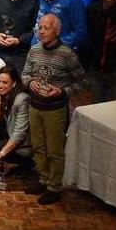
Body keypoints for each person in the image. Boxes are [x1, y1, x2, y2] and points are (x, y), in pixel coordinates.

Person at [22, 14, 87, 204]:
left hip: (55, 110)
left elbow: (82, 82)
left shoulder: (67, 55)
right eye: (39, 28)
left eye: (46, 28)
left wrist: (62, 91)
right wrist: (30, 82)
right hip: (35, 106)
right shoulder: (34, 51)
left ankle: (54, 186)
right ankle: (43, 179)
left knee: (54, 150)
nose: (41, 31)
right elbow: (25, 74)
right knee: (39, 146)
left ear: (57, 31)